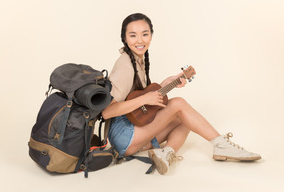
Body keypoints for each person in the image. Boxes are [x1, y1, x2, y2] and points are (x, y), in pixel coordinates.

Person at [102, 13, 261, 175]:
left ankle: (165, 153)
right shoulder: (126, 65)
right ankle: (222, 145)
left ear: (151, 35)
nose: (140, 40)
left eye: (145, 34)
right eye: (133, 35)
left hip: (135, 130)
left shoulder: (139, 59)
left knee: (186, 118)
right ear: (124, 38)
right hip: (123, 135)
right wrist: (145, 98)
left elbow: (140, 99)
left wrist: (166, 83)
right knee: (178, 103)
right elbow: (107, 112)